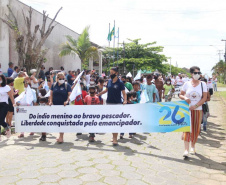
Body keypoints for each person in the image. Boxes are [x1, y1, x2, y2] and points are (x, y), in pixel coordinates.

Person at [179, 66, 207, 157]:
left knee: (195, 129)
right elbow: (181, 95)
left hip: (197, 110)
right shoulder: (186, 84)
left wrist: (195, 106)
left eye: (199, 73)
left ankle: (193, 147)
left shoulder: (203, 84)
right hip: (187, 110)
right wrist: (185, 98)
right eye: (195, 73)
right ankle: (186, 150)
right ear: (191, 74)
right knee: (186, 129)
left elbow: (204, 98)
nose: (197, 75)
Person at [97, 67, 127, 146]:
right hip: (109, 103)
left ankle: (115, 138)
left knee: (116, 121)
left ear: (116, 73)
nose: (110, 74)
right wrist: (99, 94)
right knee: (111, 121)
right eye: (110, 72)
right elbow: (106, 90)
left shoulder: (120, 83)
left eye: (112, 72)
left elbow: (124, 93)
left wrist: (125, 100)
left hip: (117, 104)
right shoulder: (109, 82)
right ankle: (113, 136)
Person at [49, 72, 72, 143]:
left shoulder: (66, 85)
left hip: (63, 106)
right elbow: (51, 94)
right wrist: (50, 101)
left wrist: (67, 101)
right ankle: (60, 136)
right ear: (57, 78)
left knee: (61, 121)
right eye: (60, 78)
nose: (62, 79)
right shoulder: (54, 85)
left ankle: (61, 137)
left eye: (63, 78)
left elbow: (69, 95)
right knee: (57, 121)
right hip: (55, 106)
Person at [0, 75, 16, 140]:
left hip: (4, 105)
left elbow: (11, 96)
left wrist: (13, 103)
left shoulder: (7, 87)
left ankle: (7, 127)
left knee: (1, 120)